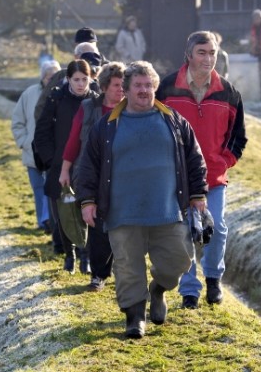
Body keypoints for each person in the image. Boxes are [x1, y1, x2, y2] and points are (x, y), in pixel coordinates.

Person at [75, 61, 208, 339]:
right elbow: (88, 165)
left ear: (155, 88)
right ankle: (135, 318)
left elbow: (195, 159)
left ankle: (158, 289)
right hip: (122, 213)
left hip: (168, 211)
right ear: (125, 90)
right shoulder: (107, 126)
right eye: (138, 85)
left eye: (148, 85)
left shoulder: (173, 120)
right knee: (127, 267)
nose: (144, 90)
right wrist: (87, 200)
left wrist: (197, 195)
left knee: (179, 260)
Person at [156, 31, 247, 310]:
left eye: (212, 53)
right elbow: (155, 127)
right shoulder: (168, 88)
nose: (208, 59)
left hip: (214, 178)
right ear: (189, 54)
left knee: (216, 228)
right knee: (184, 233)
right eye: (202, 53)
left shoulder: (229, 92)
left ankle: (213, 279)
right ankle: (189, 290)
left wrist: (223, 161)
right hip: (177, 177)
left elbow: (238, 136)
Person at [59, 62, 126, 291]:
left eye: (124, 85)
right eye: (117, 85)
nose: (121, 90)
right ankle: (98, 275)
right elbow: (74, 139)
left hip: (123, 176)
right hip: (93, 174)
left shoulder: (132, 110)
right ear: (105, 86)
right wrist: (65, 170)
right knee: (98, 226)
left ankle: (124, 271)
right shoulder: (88, 108)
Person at [34, 59, 99, 274]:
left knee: (87, 211)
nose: (81, 84)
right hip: (59, 164)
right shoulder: (56, 99)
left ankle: (85, 256)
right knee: (62, 212)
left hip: (87, 165)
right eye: (76, 80)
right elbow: (42, 132)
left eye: (84, 79)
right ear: (68, 79)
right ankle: (69, 254)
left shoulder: (95, 101)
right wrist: (52, 160)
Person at [11, 60, 61, 232]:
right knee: (38, 188)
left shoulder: (62, 94)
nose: (51, 80)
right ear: (42, 78)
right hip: (32, 152)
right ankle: (42, 221)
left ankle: (51, 221)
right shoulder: (29, 94)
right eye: (49, 77)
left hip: (52, 153)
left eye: (55, 77)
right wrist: (24, 142)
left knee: (50, 188)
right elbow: (18, 122)